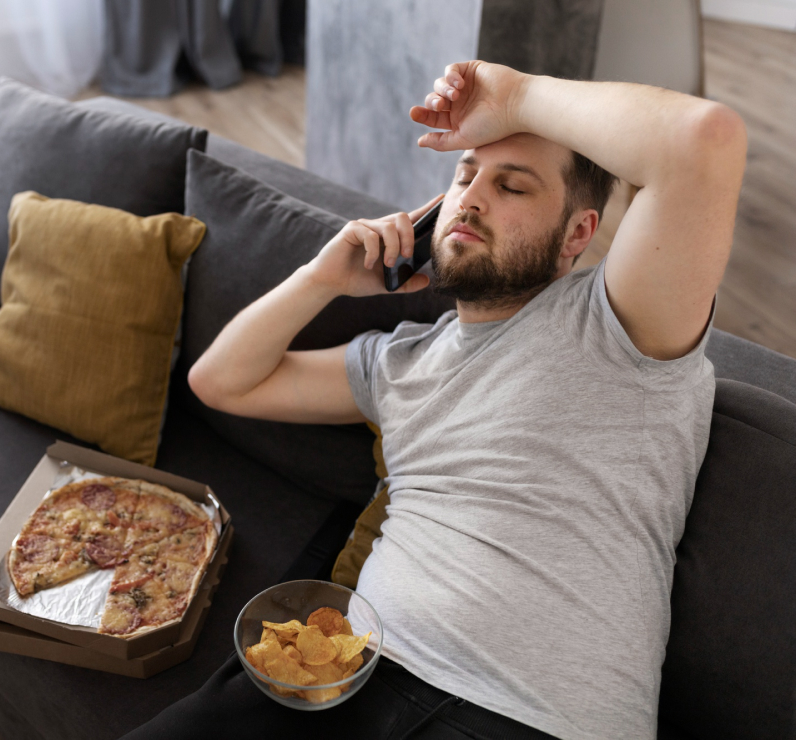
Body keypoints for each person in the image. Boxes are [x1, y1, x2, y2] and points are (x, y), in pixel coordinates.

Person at [125, 61, 746, 739]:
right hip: (335, 680)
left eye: (511, 185)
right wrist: (321, 278)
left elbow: (704, 140)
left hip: (518, 717)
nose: (473, 198)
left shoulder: (618, 322)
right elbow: (220, 381)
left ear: (577, 236)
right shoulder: (399, 360)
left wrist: (516, 99)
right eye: (463, 177)